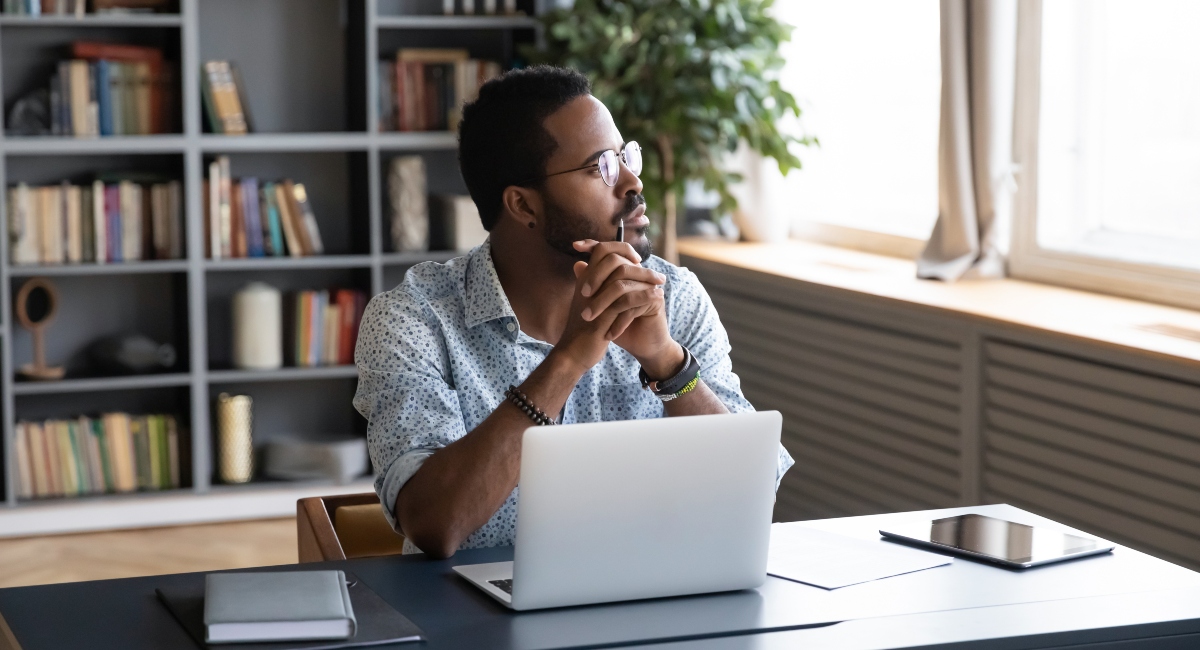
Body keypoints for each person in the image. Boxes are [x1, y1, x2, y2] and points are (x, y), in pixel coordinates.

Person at [353, 66, 793, 559]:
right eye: (599, 167)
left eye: (627, 156)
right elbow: (436, 525)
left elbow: (757, 495)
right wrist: (567, 360)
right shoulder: (413, 320)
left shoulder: (676, 297)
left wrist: (667, 363)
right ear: (523, 205)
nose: (632, 181)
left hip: (656, 603)